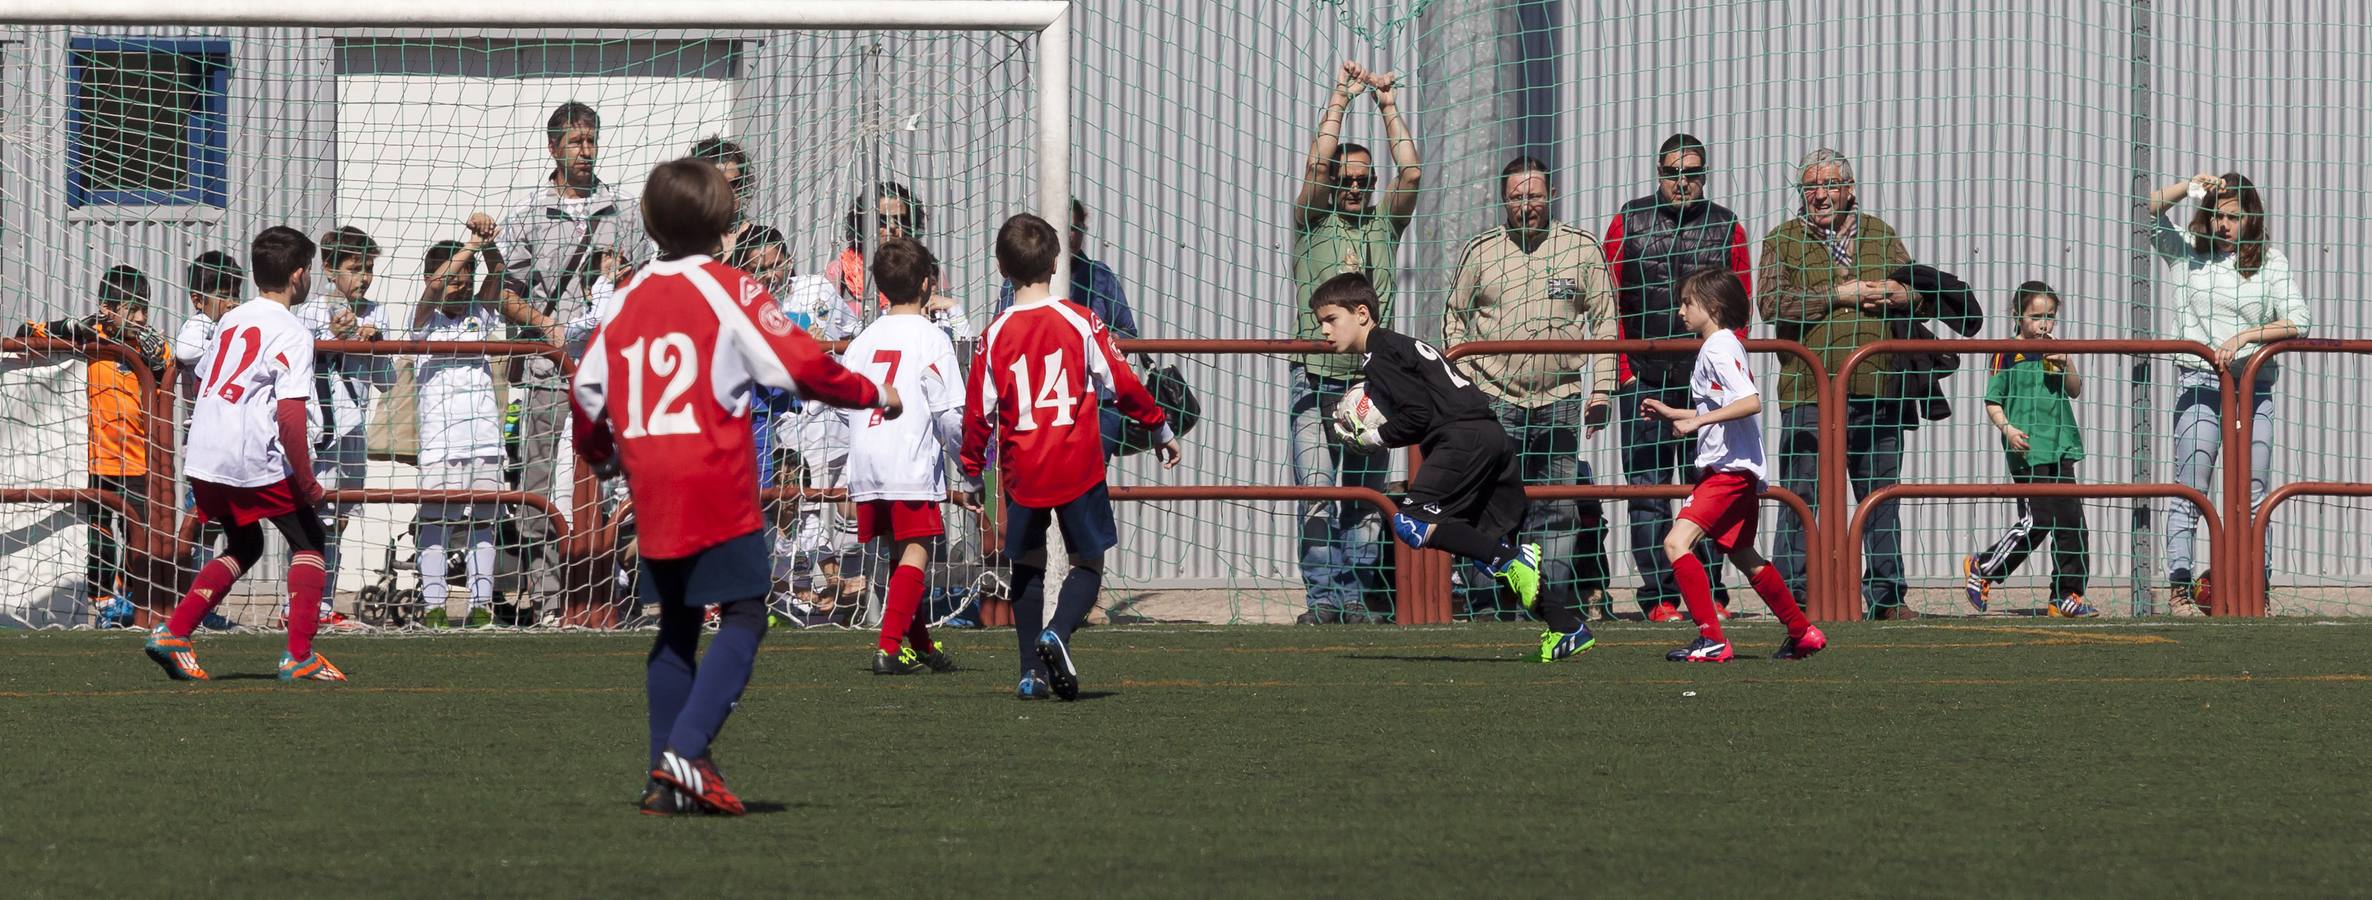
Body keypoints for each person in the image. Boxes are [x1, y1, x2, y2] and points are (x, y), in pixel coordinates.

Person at [572, 157, 897, 816]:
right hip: (713, 477)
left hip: (652, 484)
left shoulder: (627, 296)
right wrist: (873, 392)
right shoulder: (732, 288)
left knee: (677, 628)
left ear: (649, 223)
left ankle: (664, 782)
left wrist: (602, 451)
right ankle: (682, 754)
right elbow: (805, 363)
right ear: (724, 224)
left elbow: (586, 389)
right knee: (746, 614)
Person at [1317, 272, 1594, 662]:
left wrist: (1374, 437)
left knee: (1411, 523)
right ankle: (1566, 626)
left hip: (1461, 440)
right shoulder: (1404, 345)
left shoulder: (1380, 356)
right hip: (1490, 435)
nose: (1324, 329)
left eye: (1330, 319)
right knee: (1486, 545)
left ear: (1362, 313)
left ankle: (1513, 561)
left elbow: (1417, 414)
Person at [960, 213, 1180, 701]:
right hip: (1078, 465)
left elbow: (977, 413)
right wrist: (1159, 426)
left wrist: (973, 475)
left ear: (1001, 267)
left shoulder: (993, 335)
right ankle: (1058, 630)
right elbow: (1123, 384)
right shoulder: (1081, 321)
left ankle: (1029, 673)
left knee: (1028, 568)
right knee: (1087, 565)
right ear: (1057, 261)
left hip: (1024, 471)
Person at [142, 226, 344, 682]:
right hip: (245, 458)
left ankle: (175, 633)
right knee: (310, 540)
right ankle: (299, 654)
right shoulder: (292, 331)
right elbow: (291, 417)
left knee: (246, 542)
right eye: (309, 269)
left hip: (203, 453)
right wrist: (308, 482)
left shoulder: (232, 319)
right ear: (298, 276)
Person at [1443, 155, 1616, 621]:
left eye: (1534, 195)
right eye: (1517, 197)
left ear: (1551, 195)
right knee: (1485, 509)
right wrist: (1465, 387)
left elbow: (1605, 323)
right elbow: (1453, 317)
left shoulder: (1581, 249)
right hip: (1493, 401)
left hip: (1558, 401)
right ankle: (1484, 610)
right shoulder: (1480, 251)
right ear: (1504, 200)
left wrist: (1600, 390)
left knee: (1555, 514)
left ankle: (1543, 612)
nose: (1526, 205)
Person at [1287, 60, 1422, 625]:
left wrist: (1387, 103)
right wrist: (1341, 96)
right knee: (1317, 491)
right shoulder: (1311, 221)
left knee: (1366, 501)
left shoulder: (1382, 226)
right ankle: (1323, 600)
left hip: (1373, 380)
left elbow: (1410, 174)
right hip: (1314, 378)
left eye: (1365, 181)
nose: (1356, 188)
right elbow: (1319, 163)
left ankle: (1356, 600)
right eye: (1348, 179)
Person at [1757, 147, 1918, 619]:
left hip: (1877, 388)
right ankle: (1793, 595)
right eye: (1810, 188)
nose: (1820, 196)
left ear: (1849, 189)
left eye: (1829, 185)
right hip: (1808, 389)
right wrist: (1838, 294)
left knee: (1879, 496)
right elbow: (1770, 303)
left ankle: (1887, 597)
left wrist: (1899, 293)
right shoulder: (1782, 239)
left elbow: (1920, 294)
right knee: (1800, 495)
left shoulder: (1880, 236)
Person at [1603, 132, 1755, 620]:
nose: (1683, 182)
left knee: (1709, 487)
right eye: (1673, 173)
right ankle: (1660, 597)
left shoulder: (1726, 224)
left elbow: (1740, 307)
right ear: (1659, 172)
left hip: (1707, 386)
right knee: (1648, 490)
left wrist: (1727, 371)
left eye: (1692, 173)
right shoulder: (1629, 220)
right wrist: (1624, 373)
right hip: (1644, 379)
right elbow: (1610, 301)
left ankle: (1711, 594)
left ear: (1704, 175)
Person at [497, 100, 641, 608]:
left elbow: (641, 284)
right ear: (553, 146)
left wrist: (620, 282)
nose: (586, 150)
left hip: (608, 372)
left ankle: (610, 586)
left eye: (592, 140)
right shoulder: (528, 216)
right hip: (547, 370)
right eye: (576, 141)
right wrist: (545, 324)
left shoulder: (624, 212)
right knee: (539, 479)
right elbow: (506, 294)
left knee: (616, 477)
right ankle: (546, 592)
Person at [1640, 267, 1825, 663]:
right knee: (1744, 555)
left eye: (1687, 302)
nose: (1680, 311)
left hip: (1728, 472)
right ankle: (1802, 632)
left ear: (1714, 306)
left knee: (1676, 543)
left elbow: (1749, 401)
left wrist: (1697, 422)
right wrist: (1678, 412)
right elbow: (1723, 404)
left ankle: (1711, 639)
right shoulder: (1723, 344)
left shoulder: (1719, 346)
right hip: (1736, 472)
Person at [2146, 171, 2309, 614]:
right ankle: (2180, 588)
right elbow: (2151, 210)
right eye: (2217, 215)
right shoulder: (2186, 253)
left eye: (2234, 217)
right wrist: (2187, 187)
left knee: (2254, 490)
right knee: (2191, 488)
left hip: (2253, 387)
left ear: (2251, 218)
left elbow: (2300, 319)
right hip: (2200, 385)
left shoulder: (2270, 262)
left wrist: (2246, 338)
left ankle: (2258, 589)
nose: (2224, 226)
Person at [845, 237, 971, 675]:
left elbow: (843, 399)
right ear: (926, 284)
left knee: (899, 557)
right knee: (918, 550)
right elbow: (950, 416)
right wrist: (969, 466)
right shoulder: (933, 338)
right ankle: (888, 647)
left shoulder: (862, 340)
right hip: (909, 460)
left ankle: (921, 646)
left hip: (867, 460)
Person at [23, 265, 168, 627]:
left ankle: (131, 596)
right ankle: (103, 604)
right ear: (107, 309)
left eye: (144, 308)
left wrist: (158, 363)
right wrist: (69, 327)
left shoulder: (149, 344)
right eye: (131, 309)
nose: (140, 317)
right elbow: (25, 333)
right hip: (96, 459)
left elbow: (170, 369)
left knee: (140, 536)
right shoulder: (91, 335)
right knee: (99, 535)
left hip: (139, 460)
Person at [1963, 282, 2095, 618]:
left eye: (2050, 317)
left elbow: (2075, 391)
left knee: (2071, 523)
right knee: (2037, 520)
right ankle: (1984, 566)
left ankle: (2066, 595)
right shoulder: (2007, 352)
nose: (2044, 324)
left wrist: (2068, 364)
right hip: (2028, 450)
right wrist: (2007, 428)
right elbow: (1993, 400)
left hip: (2060, 444)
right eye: (2036, 316)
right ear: (2018, 316)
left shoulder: (2056, 348)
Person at [411, 215, 509, 628]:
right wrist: (470, 245)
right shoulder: (423, 320)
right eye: (455, 271)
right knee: (436, 522)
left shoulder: (481, 313)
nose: (461, 280)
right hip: (439, 441)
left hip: (484, 438)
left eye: (468, 273)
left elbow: (499, 272)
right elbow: (434, 287)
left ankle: (480, 603)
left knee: (483, 523)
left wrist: (486, 243)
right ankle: (433, 603)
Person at [295, 225, 391, 630]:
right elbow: (297, 366)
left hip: (353, 432)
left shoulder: (376, 312)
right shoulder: (308, 312)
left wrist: (377, 343)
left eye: (368, 268)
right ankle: (300, 606)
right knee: (313, 519)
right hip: (320, 430)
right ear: (330, 269)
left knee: (341, 519)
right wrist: (330, 338)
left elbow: (387, 381)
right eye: (355, 267)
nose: (364, 277)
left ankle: (324, 603)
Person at [998, 199, 1143, 455]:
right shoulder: (1017, 281)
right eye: (1062, 228)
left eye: (1075, 228)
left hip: (1096, 404)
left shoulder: (1099, 276)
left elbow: (1128, 331)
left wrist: (1096, 344)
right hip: (1038, 403)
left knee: (1088, 483)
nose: (1069, 236)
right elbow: (1003, 337)